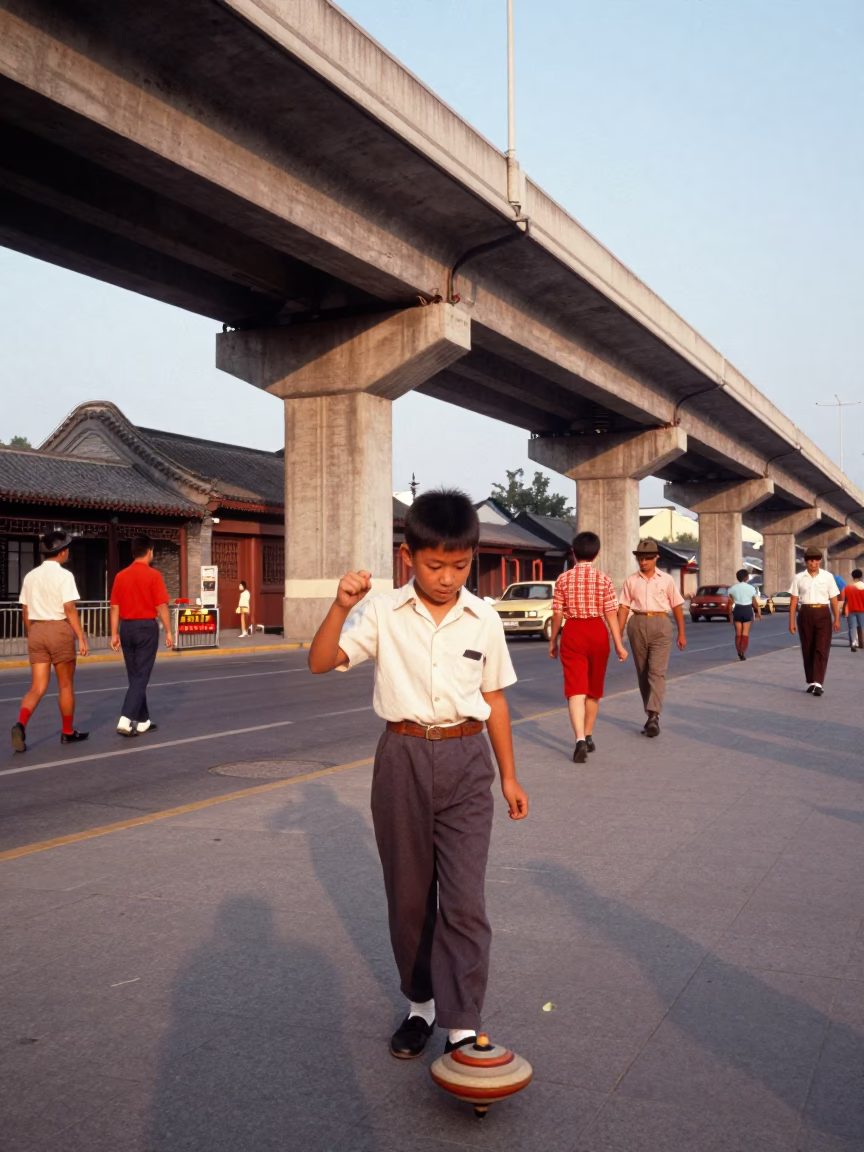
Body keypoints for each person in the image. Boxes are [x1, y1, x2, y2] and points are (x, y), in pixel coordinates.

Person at [308, 489, 528, 1061]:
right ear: (409, 557)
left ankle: (461, 1024)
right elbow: (320, 661)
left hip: (467, 760)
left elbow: (496, 702)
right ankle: (421, 1006)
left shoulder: (483, 619)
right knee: (409, 898)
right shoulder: (382, 611)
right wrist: (339, 605)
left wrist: (508, 777)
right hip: (401, 759)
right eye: (435, 565)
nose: (448, 577)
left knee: (464, 901)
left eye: (460, 565)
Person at [547, 531, 628, 763]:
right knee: (593, 689)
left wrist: (553, 640)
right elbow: (610, 614)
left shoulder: (563, 579)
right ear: (597, 553)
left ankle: (580, 739)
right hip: (597, 633)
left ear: (573, 552)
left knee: (575, 689)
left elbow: (557, 613)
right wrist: (619, 644)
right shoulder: (604, 580)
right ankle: (590, 733)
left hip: (572, 632)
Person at [11, 530, 89, 753]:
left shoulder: (30, 576)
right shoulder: (65, 576)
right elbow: (69, 609)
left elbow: (25, 610)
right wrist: (81, 637)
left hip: (36, 629)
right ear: (62, 552)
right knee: (65, 685)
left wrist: (32, 633)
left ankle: (20, 724)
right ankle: (67, 731)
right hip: (58, 629)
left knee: (37, 687)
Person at [617, 538, 687, 738]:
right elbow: (623, 607)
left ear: (656, 557)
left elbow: (676, 606)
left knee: (657, 672)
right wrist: (617, 635)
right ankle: (650, 714)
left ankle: (654, 716)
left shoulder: (666, 580)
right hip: (637, 623)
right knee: (643, 672)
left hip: (661, 624)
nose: (644, 562)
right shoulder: (631, 581)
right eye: (640, 558)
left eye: (648, 558)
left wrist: (682, 633)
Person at [110, 534, 173, 736]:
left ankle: (143, 720)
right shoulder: (153, 575)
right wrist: (169, 631)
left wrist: (114, 634)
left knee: (136, 675)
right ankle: (125, 719)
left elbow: (114, 607)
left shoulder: (121, 576)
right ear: (150, 552)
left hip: (126, 628)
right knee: (141, 676)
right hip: (146, 628)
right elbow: (161, 605)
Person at [789, 545, 841, 695]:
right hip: (805, 613)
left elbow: (834, 599)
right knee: (807, 647)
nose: (815, 563)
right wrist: (791, 621)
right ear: (806, 562)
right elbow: (793, 600)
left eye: (818, 560)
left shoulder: (827, 577)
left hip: (823, 613)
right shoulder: (799, 577)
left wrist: (837, 618)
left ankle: (819, 683)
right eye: (812, 560)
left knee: (822, 647)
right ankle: (811, 681)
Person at [728, 569, 761, 660]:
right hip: (747, 610)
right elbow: (754, 602)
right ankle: (742, 651)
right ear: (746, 578)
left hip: (737, 610)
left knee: (738, 633)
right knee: (745, 633)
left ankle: (739, 651)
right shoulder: (751, 588)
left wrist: (730, 616)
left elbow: (730, 603)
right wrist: (757, 612)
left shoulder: (732, 589)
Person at [842, 568, 864, 652]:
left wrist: (844, 610)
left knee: (852, 627)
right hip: (862, 611)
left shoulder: (848, 587)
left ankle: (854, 643)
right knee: (862, 627)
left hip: (851, 610)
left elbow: (846, 600)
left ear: (852, 576)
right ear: (861, 576)